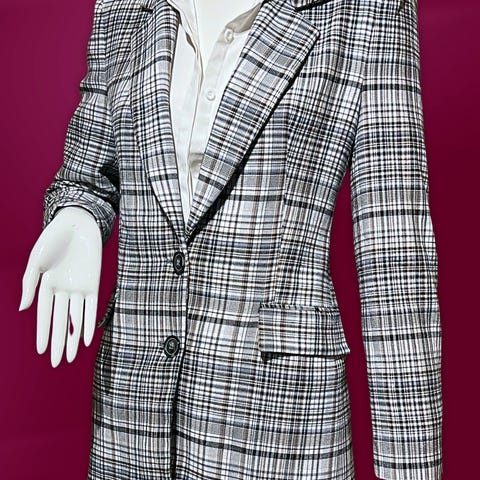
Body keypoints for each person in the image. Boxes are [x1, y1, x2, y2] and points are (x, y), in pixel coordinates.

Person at [20, 1, 443, 479]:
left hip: (279, 423)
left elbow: (396, 262)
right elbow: (86, 176)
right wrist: (77, 216)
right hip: (130, 418)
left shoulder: (368, 13)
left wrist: (411, 468)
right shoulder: (123, 8)